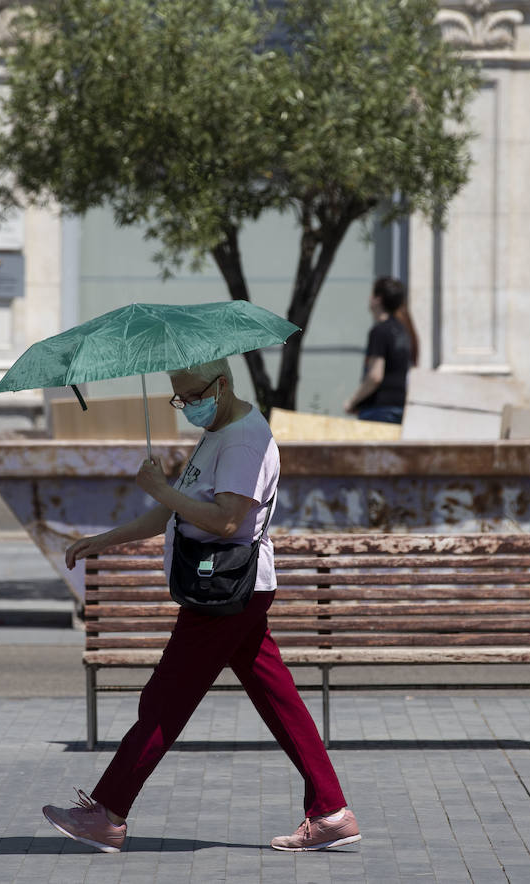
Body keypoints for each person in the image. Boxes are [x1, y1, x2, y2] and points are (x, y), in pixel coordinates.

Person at [42, 358, 361, 854]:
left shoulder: (240, 440)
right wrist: (107, 538)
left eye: (193, 396)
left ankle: (108, 813)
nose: (188, 406)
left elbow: (227, 521)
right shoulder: (220, 431)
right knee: (278, 700)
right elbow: (174, 511)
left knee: (165, 701)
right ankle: (331, 812)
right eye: (179, 399)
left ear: (222, 384)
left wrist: (163, 488)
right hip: (233, 590)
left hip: (226, 591)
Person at [344, 276, 419, 424]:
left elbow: (375, 376)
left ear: (378, 299)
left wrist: (352, 401)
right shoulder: (403, 331)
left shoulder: (379, 331)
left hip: (379, 409)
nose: (369, 298)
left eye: (372, 294)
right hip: (401, 406)